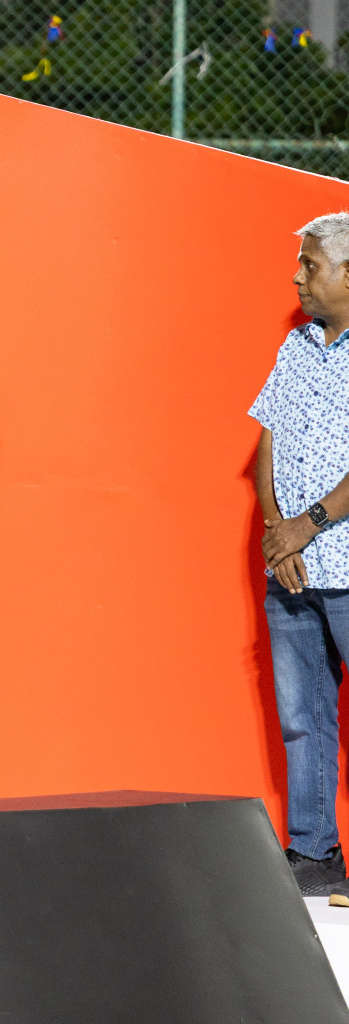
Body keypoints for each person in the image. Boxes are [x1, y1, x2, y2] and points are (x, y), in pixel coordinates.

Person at [248, 212, 349, 896]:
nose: (298, 277)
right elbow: (266, 440)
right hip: (293, 567)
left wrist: (306, 524)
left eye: (310, 266)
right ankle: (314, 854)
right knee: (302, 717)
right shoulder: (296, 346)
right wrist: (276, 528)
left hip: (341, 561)